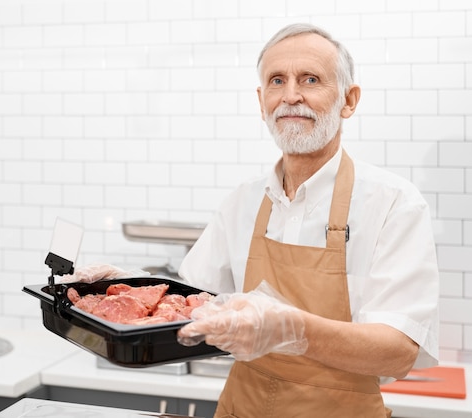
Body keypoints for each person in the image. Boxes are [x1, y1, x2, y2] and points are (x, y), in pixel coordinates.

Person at [176, 23, 439, 418]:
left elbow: (399, 351)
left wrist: (292, 330)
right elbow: (190, 304)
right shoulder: (242, 202)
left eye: (310, 79)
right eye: (277, 81)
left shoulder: (394, 204)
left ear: (348, 101)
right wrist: (118, 289)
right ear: (261, 99)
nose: (291, 96)